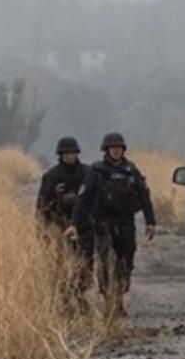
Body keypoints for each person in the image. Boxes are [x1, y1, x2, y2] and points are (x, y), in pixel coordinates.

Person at [67, 133, 157, 314]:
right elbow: (83, 198)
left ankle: (120, 294)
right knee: (106, 259)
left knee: (126, 258)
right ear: (106, 150)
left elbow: (143, 195)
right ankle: (109, 298)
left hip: (125, 221)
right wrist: (74, 224)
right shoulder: (97, 171)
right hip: (102, 222)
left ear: (123, 150)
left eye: (119, 147)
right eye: (112, 147)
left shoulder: (130, 170)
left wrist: (150, 222)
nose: (116, 150)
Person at [37, 136, 94, 298]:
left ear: (77, 153)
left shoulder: (88, 173)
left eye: (73, 153)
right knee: (62, 262)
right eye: (66, 153)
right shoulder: (51, 176)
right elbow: (42, 205)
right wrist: (41, 229)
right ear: (60, 155)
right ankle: (66, 295)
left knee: (86, 262)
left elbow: (95, 199)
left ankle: (80, 292)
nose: (70, 156)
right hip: (59, 224)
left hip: (84, 225)